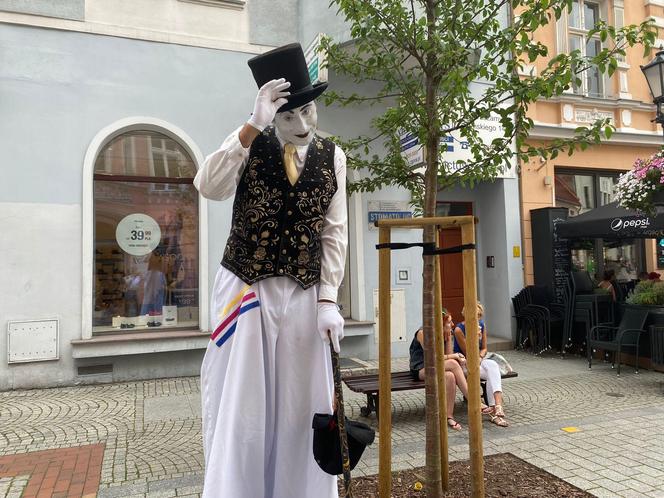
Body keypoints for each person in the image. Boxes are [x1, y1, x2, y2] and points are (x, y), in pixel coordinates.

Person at [194, 43, 347, 498]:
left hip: (304, 293)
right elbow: (208, 185)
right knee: (243, 404)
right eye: (288, 117)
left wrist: (328, 300)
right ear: (271, 114)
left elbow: (333, 233)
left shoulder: (334, 157)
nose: (302, 126)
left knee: (304, 403)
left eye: (309, 113)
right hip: (247, 288)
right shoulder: (248, 142)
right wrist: (252, 125)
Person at [409, 311, 470, 431]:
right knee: (452, 363)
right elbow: (433, 358)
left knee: (450, 376)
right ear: (440, 322)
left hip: (437, 367)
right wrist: (456, 356)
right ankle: (473, 401)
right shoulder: (423, 333)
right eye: (449, 322)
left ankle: (449, 416)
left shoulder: (446, 332)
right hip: (421, 369)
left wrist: (448, 339)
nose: (452, 324)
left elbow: (447, 355)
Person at [453, 302, 509, 427]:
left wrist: (479, 357)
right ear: (466, 315)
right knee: (490, 370)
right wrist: (475, 337)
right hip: (463, 364)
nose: (477, 319)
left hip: (477, 360)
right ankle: (494, 414)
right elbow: (469, 352)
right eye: (474, 315)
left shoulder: (482, 325)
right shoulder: (458, 330)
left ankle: (497, 407)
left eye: (479, 315)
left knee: (492, 366)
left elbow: (484, 349)